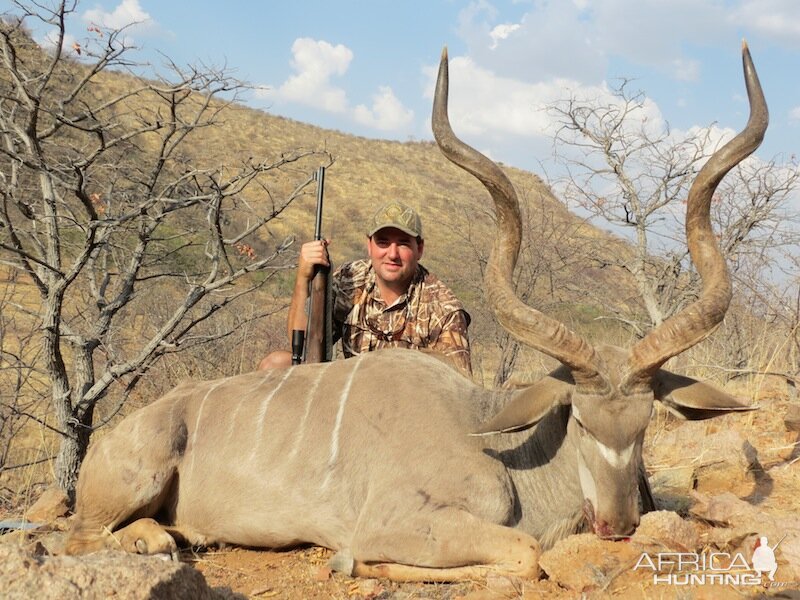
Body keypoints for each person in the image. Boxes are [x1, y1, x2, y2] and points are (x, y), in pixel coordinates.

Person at [258, 200, 472, 376]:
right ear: (369, 245)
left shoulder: (444, 309)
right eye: (383, 242)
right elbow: (302, 348)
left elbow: (456, 389)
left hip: (406, 406)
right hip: (350, 395)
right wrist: (303, 278)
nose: (393, 253)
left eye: (404, 243)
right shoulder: (349, 279)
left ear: (420, 249)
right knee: (276, 365)